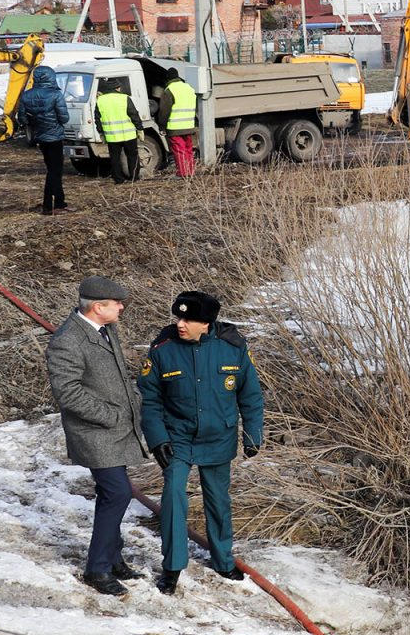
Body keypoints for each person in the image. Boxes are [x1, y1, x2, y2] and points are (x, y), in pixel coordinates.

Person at [138, 291, 264, 595]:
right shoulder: (162, 350)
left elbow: (250, 395)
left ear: (206, 323)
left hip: (218, 436)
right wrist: (157, 440)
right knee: (173, 498)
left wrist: (252, 434)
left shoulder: (233, 348)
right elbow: (150, 400)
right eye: (178, 317)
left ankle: (223, 560)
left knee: (219, 501)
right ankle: (172, 567)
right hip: (177, 438)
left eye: (188, 319)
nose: (180, 324)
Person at [45, 276, 149, 596]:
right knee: (117, 494)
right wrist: (111, 415)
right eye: (116, 303)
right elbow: (68, 393)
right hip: (94, 432)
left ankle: (113, 557)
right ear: (97, 307)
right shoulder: (67, 340)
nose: (121, 307)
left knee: (114, 494)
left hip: (116, 431)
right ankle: (98, 569)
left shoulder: (105, 329)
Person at [17, 65, 71, 215]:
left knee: (52, 170)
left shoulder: (26, 95)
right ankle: (50, 206)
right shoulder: (55, 95)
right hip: (54, 137)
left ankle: (59, 202)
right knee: (55, 172)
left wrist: (36, 122)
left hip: (40, 136)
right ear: (51, 77)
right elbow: (64, 118)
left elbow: (22, 118)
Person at [94, 77, 143, 184]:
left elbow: (97, 119)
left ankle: (118, 179)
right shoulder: (125, 98)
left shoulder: (100, 100)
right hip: (128, 135)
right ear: (117, 88)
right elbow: (133, 114)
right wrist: (139, 128)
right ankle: (134, 177)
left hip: (112, 136)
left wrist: (101, 133)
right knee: (132, 156)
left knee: (115, 158)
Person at [157, 68, 198, 177]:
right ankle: (190, 171)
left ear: (168, 78)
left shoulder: (169, 90)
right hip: (189, 125)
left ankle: (183, 173)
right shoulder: (189, 88)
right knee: (188, 149)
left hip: (175, 127)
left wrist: (162, 126)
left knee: (179, 151)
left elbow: (164, 111)